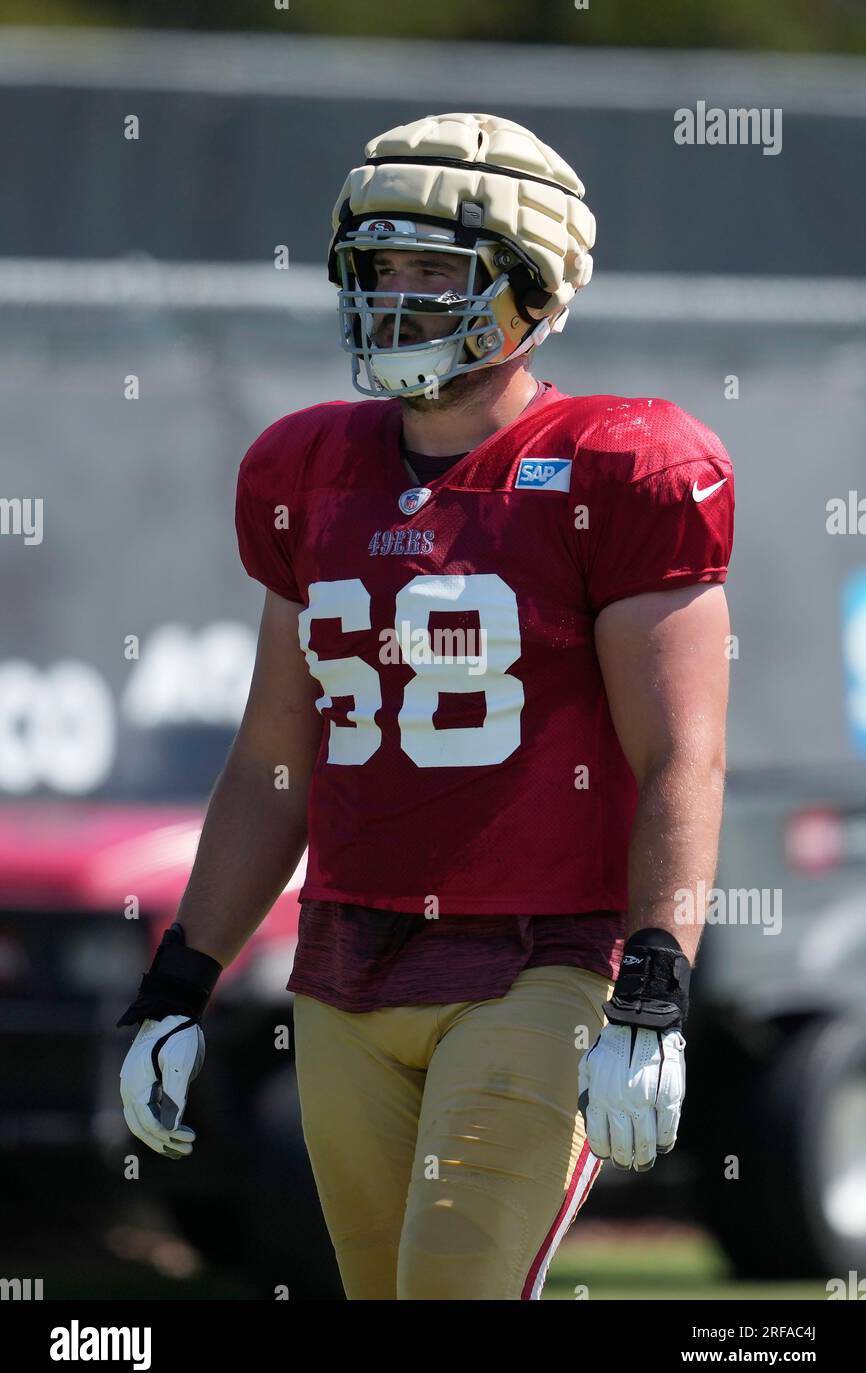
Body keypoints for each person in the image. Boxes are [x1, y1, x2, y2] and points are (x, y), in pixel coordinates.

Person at [118, 112, 734, 1300]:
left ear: (530, 286)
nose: (397, 298)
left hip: (538, 958)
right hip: (342, 965)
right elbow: (270, 762)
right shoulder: (307, 466)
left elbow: (679, 757)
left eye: (436, 270)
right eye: (378, 267)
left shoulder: (619, 463)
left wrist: (652, 990)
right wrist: (178, 981)